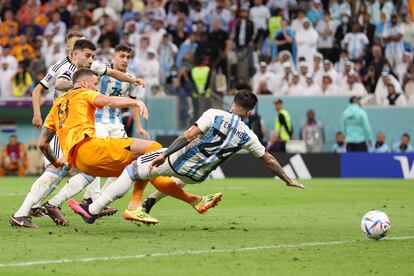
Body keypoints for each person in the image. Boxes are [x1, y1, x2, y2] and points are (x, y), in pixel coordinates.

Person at [67, 90, 304, 224]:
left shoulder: (214, 114)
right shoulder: (249, 135)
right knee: (158, 174)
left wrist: (165, 154)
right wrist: (287, 179)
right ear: (249, 112)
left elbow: (188, 135)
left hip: (177, 161)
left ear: (232, 103)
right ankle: (150, 203)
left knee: (134, 167)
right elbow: (268, 159)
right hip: (198, 175)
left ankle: (94, 210)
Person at [37, 68, 220, 226]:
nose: (96, 88)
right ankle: (135, 205)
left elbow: (43, 143)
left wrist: (57, 162)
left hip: (80, 163)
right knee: (153, 148)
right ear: (84, 83)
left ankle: (194, 200)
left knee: (140, 167)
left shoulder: (57, 104)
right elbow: (107, 100)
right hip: (90, 148)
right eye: (94, 84)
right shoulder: (84, 93)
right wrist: (134, 102)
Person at [10, 39, 146, 228]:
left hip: (64, 122)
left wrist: (132, 80)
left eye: (93, 56)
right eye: (87, 55)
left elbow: (112, 73)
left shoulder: (90, 70)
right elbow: (61, 84)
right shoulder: (68, 71)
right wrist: (78, 88)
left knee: (81, 170)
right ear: (74, 53)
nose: (91, 60)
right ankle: (26, 211)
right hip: (65, 126)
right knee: (55, 173)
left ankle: (73, 203)